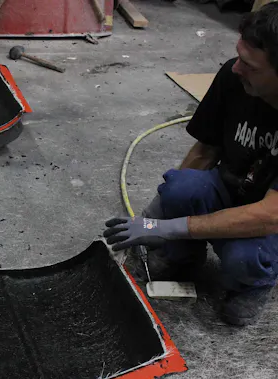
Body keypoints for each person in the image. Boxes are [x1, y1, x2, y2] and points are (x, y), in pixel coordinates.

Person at [104, 4, 278, 326]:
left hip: (269, 219)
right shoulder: (233, 78)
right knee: (178, 188)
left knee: (244, 258)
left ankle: (254, 283)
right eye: (239, 56)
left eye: (250, 65)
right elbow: (204, 151)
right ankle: (183, 257)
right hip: (232, 186)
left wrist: (165, 228)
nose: (236, 68)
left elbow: (270, 215)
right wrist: (152, 218)